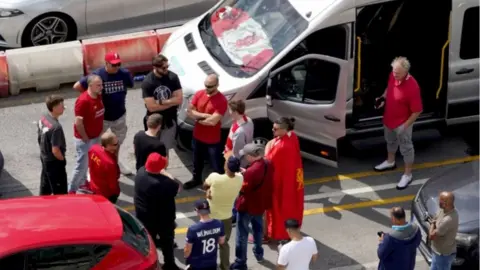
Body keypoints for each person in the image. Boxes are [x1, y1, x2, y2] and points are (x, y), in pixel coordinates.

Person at [73, 52, 134, 175]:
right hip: (102, 118)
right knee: (97, 145)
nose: (116, 67)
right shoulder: (98, 75)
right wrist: (91, 95)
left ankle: (115, 163)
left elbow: (130, 85)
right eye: (113, 65)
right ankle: (93, 169)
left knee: (117, 142)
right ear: (106, 63)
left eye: (118, 64)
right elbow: (77, 86)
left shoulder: (124, 74)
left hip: (120, 115)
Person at [374, 57, 423, 190]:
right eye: (393, 71)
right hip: (389, 119)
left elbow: (417, 111)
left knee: (406, 148)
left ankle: (407, 174)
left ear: (406, 72)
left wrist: (405, 126)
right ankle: (390, 162)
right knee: (390, 141)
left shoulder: (413, 87)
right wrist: (383, 98)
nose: (394, 74)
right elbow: (389, 87)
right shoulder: (393, 75)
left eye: (398, 73)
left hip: (402, 123)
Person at [134, 153, 180, 270]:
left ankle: (152, 263)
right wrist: (166, 173)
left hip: (144, 216)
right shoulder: (164, 183)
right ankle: (170, 265)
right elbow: (177, 187)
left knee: (150, 242)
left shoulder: (140, 173)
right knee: (167, 241)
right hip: (163, 219)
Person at [230, 143, 273, 270]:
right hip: (260, 204)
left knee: (241, 235)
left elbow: (244, 190)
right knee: (258, 230)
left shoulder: (251, 172)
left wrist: (243, 176)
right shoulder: (267, 164)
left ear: (250, 156)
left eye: (246, 155)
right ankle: (259, 253)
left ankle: (240, 262)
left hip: (247, 206)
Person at [184, 74, 228, 190]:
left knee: (216, 164)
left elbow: (213, 121)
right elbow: (189, 111)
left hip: (212, 139)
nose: (207, 88)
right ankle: (196, 179)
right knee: (196, 161)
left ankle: (220, 184)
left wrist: (197, 117)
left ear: (217, 85)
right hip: (197, 136)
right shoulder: (199, 93)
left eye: (210, 86)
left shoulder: (221, 100)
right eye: (206, 85)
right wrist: (204, 116)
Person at [264, 117, 304, 243]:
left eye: (275, 129)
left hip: (281, 183)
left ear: (284, 129)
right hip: (292, 182)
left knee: (276, 209)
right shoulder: (292, 137)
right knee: (291, 207)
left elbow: (267, 160)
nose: (272, 130)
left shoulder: (282, 147)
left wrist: (267, 147)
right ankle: (290, 231)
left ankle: (272, 234)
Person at [203, 156, 243, 270]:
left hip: (211, 217)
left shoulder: (215, 177)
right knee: (223, 244)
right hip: (227, 217)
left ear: (226, 166)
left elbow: (205, 185)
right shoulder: (240, 178)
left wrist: (208, 191)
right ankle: (225, 267)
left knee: (208, 244)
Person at [142, 54, 183, 161]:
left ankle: (163, 172)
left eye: (167, 66)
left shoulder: (172, 77)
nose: (166, 69)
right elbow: (151, 108)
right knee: (152, 150)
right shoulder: (148, 82)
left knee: (164, 151)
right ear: (155, 67)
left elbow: (179, 100)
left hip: (169, 121)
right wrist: (170, 103)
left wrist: (160, 102)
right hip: (153, 121)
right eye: (163, 68)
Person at [69, 74, 105, 194]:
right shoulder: (83, 101)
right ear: (90, 86)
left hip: (95, 137)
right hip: (85, 139)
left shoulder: (98, 96)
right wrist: (85, 137)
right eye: (98, 85)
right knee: (81, 166)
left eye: (101, 84)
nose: (101, 87)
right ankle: (71, 190)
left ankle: (83, 184)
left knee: (89, 163)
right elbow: (78, 123)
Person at [37, 95, 67, 195]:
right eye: (61, 105)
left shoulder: (44, 116)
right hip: (54, 162)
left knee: (45, 185)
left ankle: (43, 203)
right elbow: (55, 150)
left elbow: (40, 135)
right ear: (54, 108)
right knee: (60, 190)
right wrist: (62, 159)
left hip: (44, 156)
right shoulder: (56, 127)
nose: (64, 107)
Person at [184, 199, 226, 270]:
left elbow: (187, 251)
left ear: (197, 211)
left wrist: (186, 257)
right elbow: (221, 241)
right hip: (212, 263)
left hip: (197, 264)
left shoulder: (193, 229)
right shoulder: (219, 223)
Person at [428, 191, 459, 270]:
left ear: (445, 203)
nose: (438, 201)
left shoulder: (448, 220)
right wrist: (434, 222)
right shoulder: (443, 209)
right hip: (437, 251)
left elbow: (431, 236)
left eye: (440, 200)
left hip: (443, 255)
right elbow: (436, 217)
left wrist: (432, 224)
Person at [88, 131, 120, 204]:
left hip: (94, 187)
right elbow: (112, 185)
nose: (117, 146)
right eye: (115, 144)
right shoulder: (109, 164)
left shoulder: (94, 148)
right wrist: (116, 192)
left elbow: (90, 165)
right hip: (106, 193)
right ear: (108, 145)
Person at [223, 100, 254, 167]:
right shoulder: (248, 119)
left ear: (236, 112)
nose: (229, 112)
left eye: (230, 110)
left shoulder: (239, 133)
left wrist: (230, 162)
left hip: (238, 163)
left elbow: (236, 153)